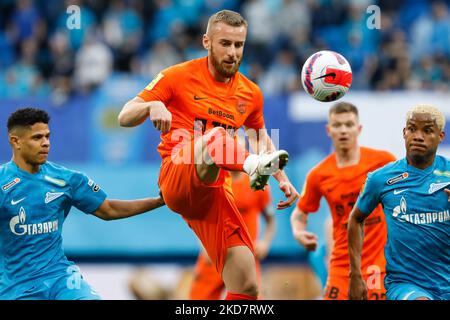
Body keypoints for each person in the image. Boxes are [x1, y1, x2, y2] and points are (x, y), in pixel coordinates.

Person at [118, 10, 298, 300]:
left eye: (239, 45)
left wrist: (282, 178)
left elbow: (259, 137)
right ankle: (252, 166)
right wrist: (150, 107)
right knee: (215, 137)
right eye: (225, 43)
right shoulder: (176, 76)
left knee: (247, 284)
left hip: (214, 191)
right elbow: (124, 116)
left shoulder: (250, 94)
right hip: (178, 175)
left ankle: (255, 167)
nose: (232, 52)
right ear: (207, 42)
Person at [0, 108, 165, 300]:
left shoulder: (66, 179)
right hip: (16, 285)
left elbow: (108, 209)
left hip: (60, 277)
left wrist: (159, 201)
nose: (46, 143)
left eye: (47, 136)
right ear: (15, 141)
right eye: (37, 138)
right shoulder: (3, 183)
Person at [290, 102, 396, 300]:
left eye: (348, 124)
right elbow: (300, 213)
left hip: (378, 265)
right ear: (328, 130)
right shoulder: (318, 174)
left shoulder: (383, 162)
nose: (343, 130)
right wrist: (298, 232)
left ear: (359, 129)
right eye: (337, 125)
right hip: (341, 267)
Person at [348, 104, 450, 300]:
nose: (418, 136)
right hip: (406, 284)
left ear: (441, 136)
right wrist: (355, 274)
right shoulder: (381, 179)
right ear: (404, 133)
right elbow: (355, 219)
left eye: (427, 130)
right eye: (412, 129)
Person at [189, 171, 276, 299]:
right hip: (215, 254)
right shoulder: (211, 181)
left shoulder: (258, 182)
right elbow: (197, 217)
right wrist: (203, 246)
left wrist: (265, 243)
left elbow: (271, 220)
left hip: (245, 256)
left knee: (249, 297)